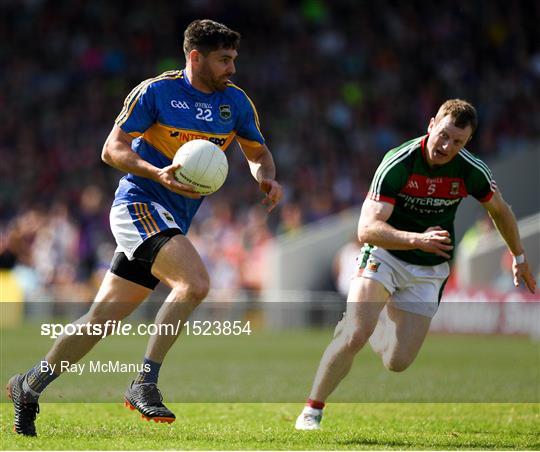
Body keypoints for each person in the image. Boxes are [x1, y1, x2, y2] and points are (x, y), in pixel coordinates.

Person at [7, 19, 283, 436]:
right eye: (224, 59)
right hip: (139, 203)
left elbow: (258, 151)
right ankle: (144, 382)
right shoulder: (156, 92)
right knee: (194, 284)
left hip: (171, 218)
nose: (232, 68)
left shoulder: (236, 103)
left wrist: (266, 175)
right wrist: (158, 173)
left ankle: (28, 385)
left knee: (101, 319)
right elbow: (111, 150)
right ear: (195, 57)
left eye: (233, 59)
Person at [295, 99, 536, 430]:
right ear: (432, 123)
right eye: (444, 135)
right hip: (385, 253)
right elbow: (365, 230)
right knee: (354, 335)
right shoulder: (399, 162)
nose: (447, 146)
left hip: (429, 268)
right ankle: (312, 410)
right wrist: (415, 238)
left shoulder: (471, 170)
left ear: (467, 143)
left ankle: (369, 325)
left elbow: (500, 210)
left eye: (458, 142)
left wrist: (519, 257)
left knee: (398, 362)